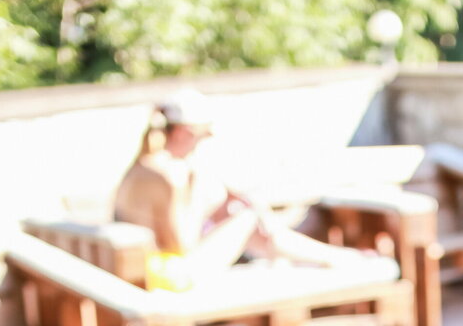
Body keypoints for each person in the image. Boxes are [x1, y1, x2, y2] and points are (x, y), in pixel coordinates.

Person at [114, 89, 371, 286]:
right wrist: (205, 203)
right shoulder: (173, 175)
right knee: (247, 216)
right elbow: (181, 246)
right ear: (183, 133)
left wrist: (215, 213)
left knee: (245, 214)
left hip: (146, 271)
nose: (200, 146)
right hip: (171, 278)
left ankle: (325, 258)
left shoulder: (139, 167)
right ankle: (335, 259)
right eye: (202, 137)